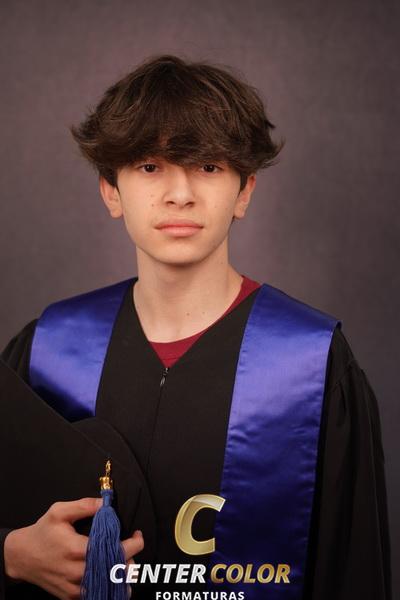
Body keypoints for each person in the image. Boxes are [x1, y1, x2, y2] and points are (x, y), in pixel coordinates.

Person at [0, 54, 392, 600]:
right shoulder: (48, 351)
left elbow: (354, 573)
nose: (180, 193)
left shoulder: (312, 366)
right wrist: (8, 555)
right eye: (149, 167)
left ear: (245, 190)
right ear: (110, 190)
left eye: (208, 166)